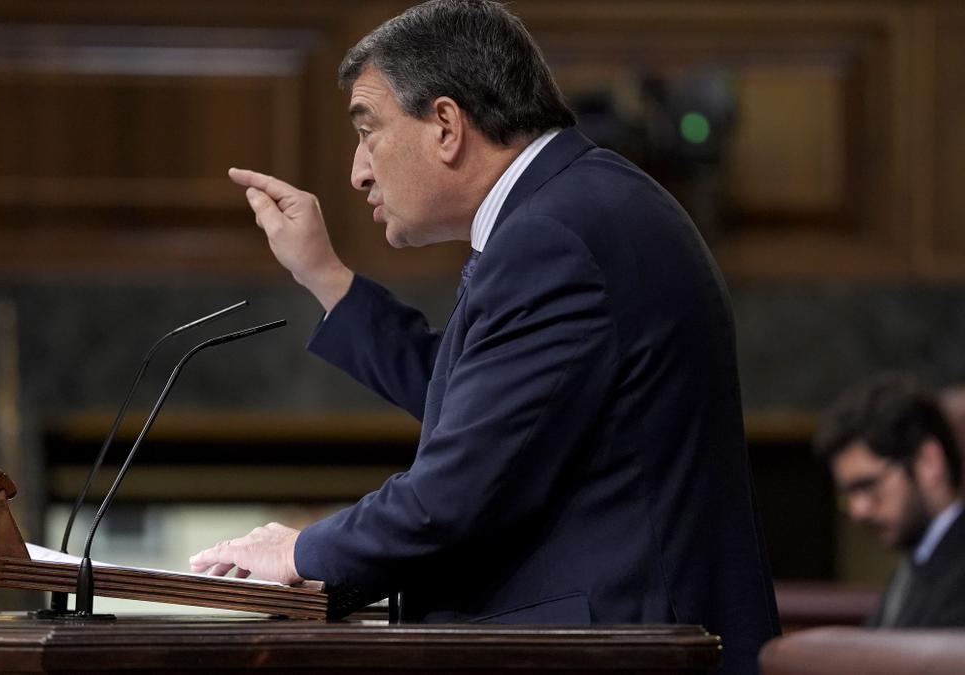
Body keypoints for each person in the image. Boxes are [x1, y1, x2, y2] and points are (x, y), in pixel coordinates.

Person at [189, 2, 778, 672]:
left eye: (368, 130)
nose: (357, 170)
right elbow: (488, 399)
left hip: (626, 647)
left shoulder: (554, 236)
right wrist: (326, 276)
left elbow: (452, 494)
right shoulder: (579, 206)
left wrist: (299, 551)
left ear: (445, 125)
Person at [814, 374, 965, 627]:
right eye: (848, 494)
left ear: (928, 462)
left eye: (868, 485)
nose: (858, 510)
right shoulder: (916, 566)